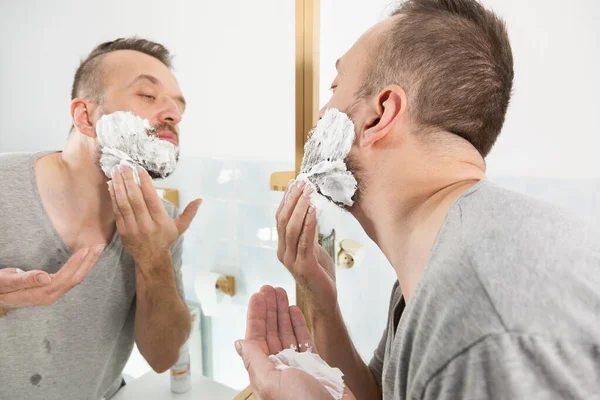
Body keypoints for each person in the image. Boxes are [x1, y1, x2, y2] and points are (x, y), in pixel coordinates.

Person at [236, 0, 600, 399]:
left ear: (379, 115)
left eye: (335, 88)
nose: (321, 114)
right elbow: (382, 393)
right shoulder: (440, 265)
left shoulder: (482, 317)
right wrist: (323, 304)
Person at [0, 38, 201, 400]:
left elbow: (163, 357)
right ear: (85, 116)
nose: (174, 113)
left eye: (178, 105)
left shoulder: (162, 225)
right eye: (147, 95)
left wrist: (154, 259)